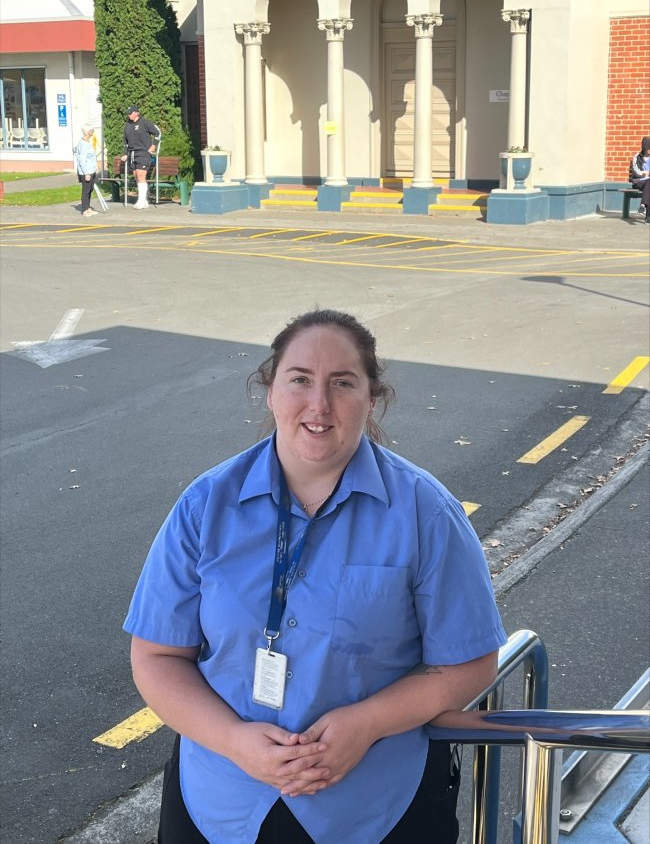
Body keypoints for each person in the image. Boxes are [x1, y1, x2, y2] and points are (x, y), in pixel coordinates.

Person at [124, 309, 507, 844]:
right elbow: (157, 657)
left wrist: (368, 722)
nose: (319, 404)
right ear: (271, 391)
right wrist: (234, 740)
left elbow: (469, 661)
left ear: (372, 396)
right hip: (221, 799)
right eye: (300, 379)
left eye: (342, 383)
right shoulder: (204, 505)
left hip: (376, 803)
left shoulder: (426, 513)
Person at [121, 104, 161, 210]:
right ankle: (144, 201)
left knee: (141, 176)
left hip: (143, 153)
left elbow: (158, 133)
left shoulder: (145, 123)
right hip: (132, 154)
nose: (129, 115)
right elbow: (125, 142)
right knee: (136, 176)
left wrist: (154, 145)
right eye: (128, 114)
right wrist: (125, 153)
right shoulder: (127, 125)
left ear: (136, 113)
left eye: (131, 113)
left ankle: (141, 200)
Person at [74, 124, 98, 217]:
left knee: (90, 189)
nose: (93, 132)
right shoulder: (83, 144)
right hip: (86, 172)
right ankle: (84, 210)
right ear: (87, 132)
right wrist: (86, 173)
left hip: (91, 170)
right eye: (91, 130)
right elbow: (82, 160)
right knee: (86, 191)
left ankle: (88, 208)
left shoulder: (87, 142)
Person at [628, 135, 650, 223]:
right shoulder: (637, 157)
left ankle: (643, 205)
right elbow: (635, 171)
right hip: (639, 181)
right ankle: (648, 216)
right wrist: (645, 173)